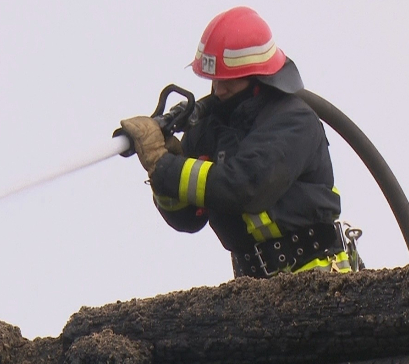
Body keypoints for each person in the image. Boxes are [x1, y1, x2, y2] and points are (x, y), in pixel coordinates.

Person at [119, 6, 351, 278]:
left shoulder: (293, 121)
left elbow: (245, 186)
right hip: (254, 289)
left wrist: (165, 166)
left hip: (318, 279)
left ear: (258, 76)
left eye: (229, 79)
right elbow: (188, 218)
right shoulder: (210, 127)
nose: (219, 89)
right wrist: (165, 174)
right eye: (214, 79)